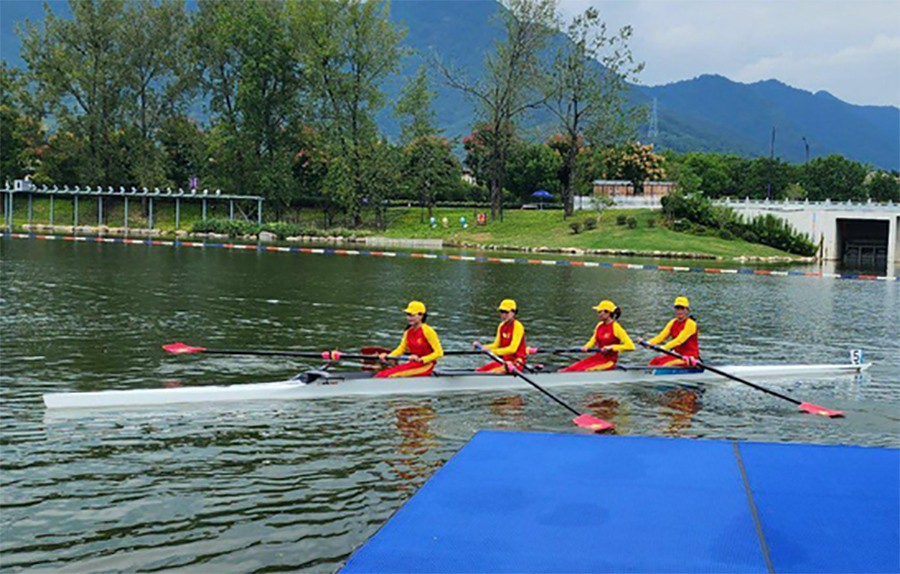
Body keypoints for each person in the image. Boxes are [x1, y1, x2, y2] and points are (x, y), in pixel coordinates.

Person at [560, 300, 635, 372]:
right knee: (571, 368)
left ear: (608, 313)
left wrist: (611, 347)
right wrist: (587, 347)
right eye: (598, 312)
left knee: (584, 370)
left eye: (600, 312)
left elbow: (631, 346)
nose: (598, 314)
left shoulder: (616, 327)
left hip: (609, 361)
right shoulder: (599, 325)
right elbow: (593, 340)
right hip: (597, 357)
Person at [375, 301, 444, 378]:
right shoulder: (408, 332)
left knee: (391, 375)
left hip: (426, 365)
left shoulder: (428, 331)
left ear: (421, 315)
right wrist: (388, 356)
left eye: (412, 315)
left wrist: (421, 359)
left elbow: (439, 352)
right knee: (382, 374)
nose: (409, 318)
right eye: (408, 315)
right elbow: (401, 349)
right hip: (413, 363)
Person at [641, 296, 700, 367]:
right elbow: (661, 337)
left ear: (687, 310)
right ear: (675, 310)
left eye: (682, 308)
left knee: (665, 365)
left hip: (689, 358)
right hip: (677, 355)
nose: (680, 311)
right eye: (677, 308)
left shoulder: (691, 324)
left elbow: (679, 340)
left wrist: (664, 347)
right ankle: (649, 376)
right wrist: (648, 343)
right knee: (655, 361)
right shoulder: (672, 322)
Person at [472, 299, 528, 373]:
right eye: (502, 312)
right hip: (505, 361)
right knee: (478, 371)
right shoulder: (501, 326)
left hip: (517, 363)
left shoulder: (518, 326)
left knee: (490, 373)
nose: (503, 315)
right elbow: (496, 344)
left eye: (506, 312)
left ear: (513, 312)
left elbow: (512, 349)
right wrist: (483, 347)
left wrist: (493, 351)